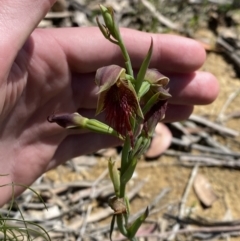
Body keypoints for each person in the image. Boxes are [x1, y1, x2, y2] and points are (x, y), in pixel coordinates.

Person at [0, 0, 219, 207]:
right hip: (125, 107)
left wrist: (150, 99)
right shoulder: (118, 90)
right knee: (122, 131)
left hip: (136, 107)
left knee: (132, 129)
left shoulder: (141, 91)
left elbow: (155, 93)